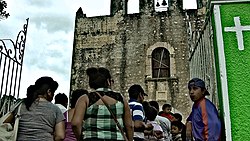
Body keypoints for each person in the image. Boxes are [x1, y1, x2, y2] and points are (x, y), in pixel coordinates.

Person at [71, 67, 133, 141]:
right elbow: (129, 126)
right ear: (108, 81)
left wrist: (80, 138)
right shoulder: (121, 99)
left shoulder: (85, 99)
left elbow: (75, 123)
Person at [7, 76, 65, 141]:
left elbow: (5, 123)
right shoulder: (55, 109)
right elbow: (60, 136)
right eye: (53, 93)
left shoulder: (20, 105)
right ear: (49, 92)